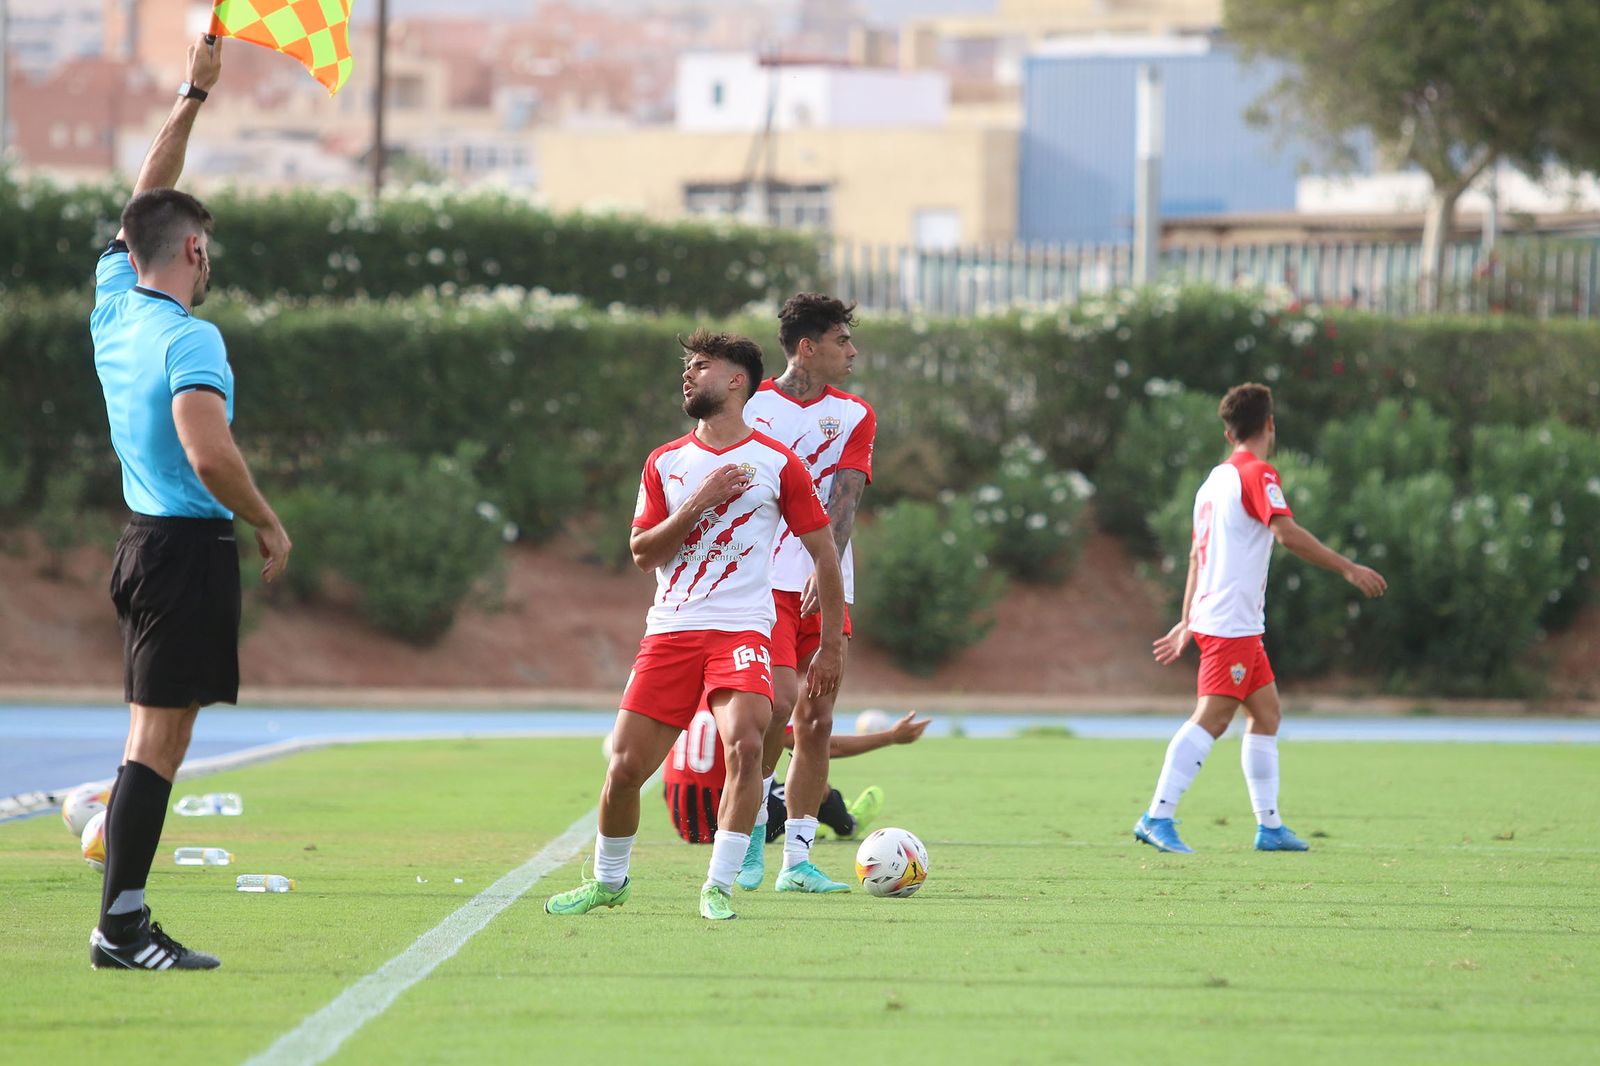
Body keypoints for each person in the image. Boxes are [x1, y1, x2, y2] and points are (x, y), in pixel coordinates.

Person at [87, 33, 293, 971]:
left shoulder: (114, 304)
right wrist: (268, 520)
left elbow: (145, 200)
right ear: (196, 252)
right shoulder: (190, 338)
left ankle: (121, 917)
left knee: (150, 739)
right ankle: (122, 927)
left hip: (140, 545)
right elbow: (210, 453)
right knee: (159, 747)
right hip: (185, 553)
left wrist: (192, 94)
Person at [545, 330, 845, 921]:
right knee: (624, 768)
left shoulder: (776, 462)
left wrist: (830, 646)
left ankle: (719, 886)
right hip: (671, 631)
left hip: (742, 631)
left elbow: (824, 553)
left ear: (736, 380)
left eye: (701, 365)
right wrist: (698, 502)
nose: (687, 374)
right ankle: (608, 882)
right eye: (687, 366)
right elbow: (642, 553)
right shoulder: (665, 461)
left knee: (747, 745)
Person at [1136, 383, 1385, 855]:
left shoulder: (1212, 483)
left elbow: (1196, 556)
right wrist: (1348, 568)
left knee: (1267, 714)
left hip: (1232, 621)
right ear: (1270, 424)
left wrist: (1187, 619)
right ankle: (1156, 816)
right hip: (1229, 621)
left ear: (1228, 432)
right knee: (1213, 718)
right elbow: (1286, 534)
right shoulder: (1258, 474)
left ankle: (1269, 828)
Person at [735, 294, 875, 894]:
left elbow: (845, 503)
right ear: (808, 347)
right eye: (843, 340)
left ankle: (796, 862)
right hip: (761, 586)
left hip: (826, 586)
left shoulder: (854, 414)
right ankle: (748, 839)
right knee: (775, 708)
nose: (853, 351)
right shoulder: (751, 405)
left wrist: (826, 571)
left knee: (816, 720)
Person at [663, 708, 931, 844]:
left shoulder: (697, 691)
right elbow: (818, 748)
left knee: (763, 781)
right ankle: (847, 824)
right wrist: (890, 737)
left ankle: (814, 819)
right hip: (729, 820)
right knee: (812, 784)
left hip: (683, 822)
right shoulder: (744, 700)